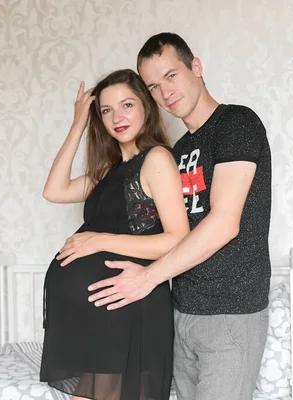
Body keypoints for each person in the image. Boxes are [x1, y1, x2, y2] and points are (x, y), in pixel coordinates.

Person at [87, 32, 272, 400]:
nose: (165, 92)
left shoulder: (236, 123)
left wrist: (146, 279)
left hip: (229, 313)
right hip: (182, 312)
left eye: (171, 76)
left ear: (196, 67)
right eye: (153, 86)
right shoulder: (179, 150)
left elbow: (223, 223)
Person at [39, 69, 189, 400]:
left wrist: (100, 241)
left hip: (130, 311)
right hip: (103, 322)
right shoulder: (108, 170)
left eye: (127, 105)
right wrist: (79, 123)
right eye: (106, 110)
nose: (116, 117)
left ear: (147, 107)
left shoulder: (156, 159)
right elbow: (54, 190)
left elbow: (178, 238)